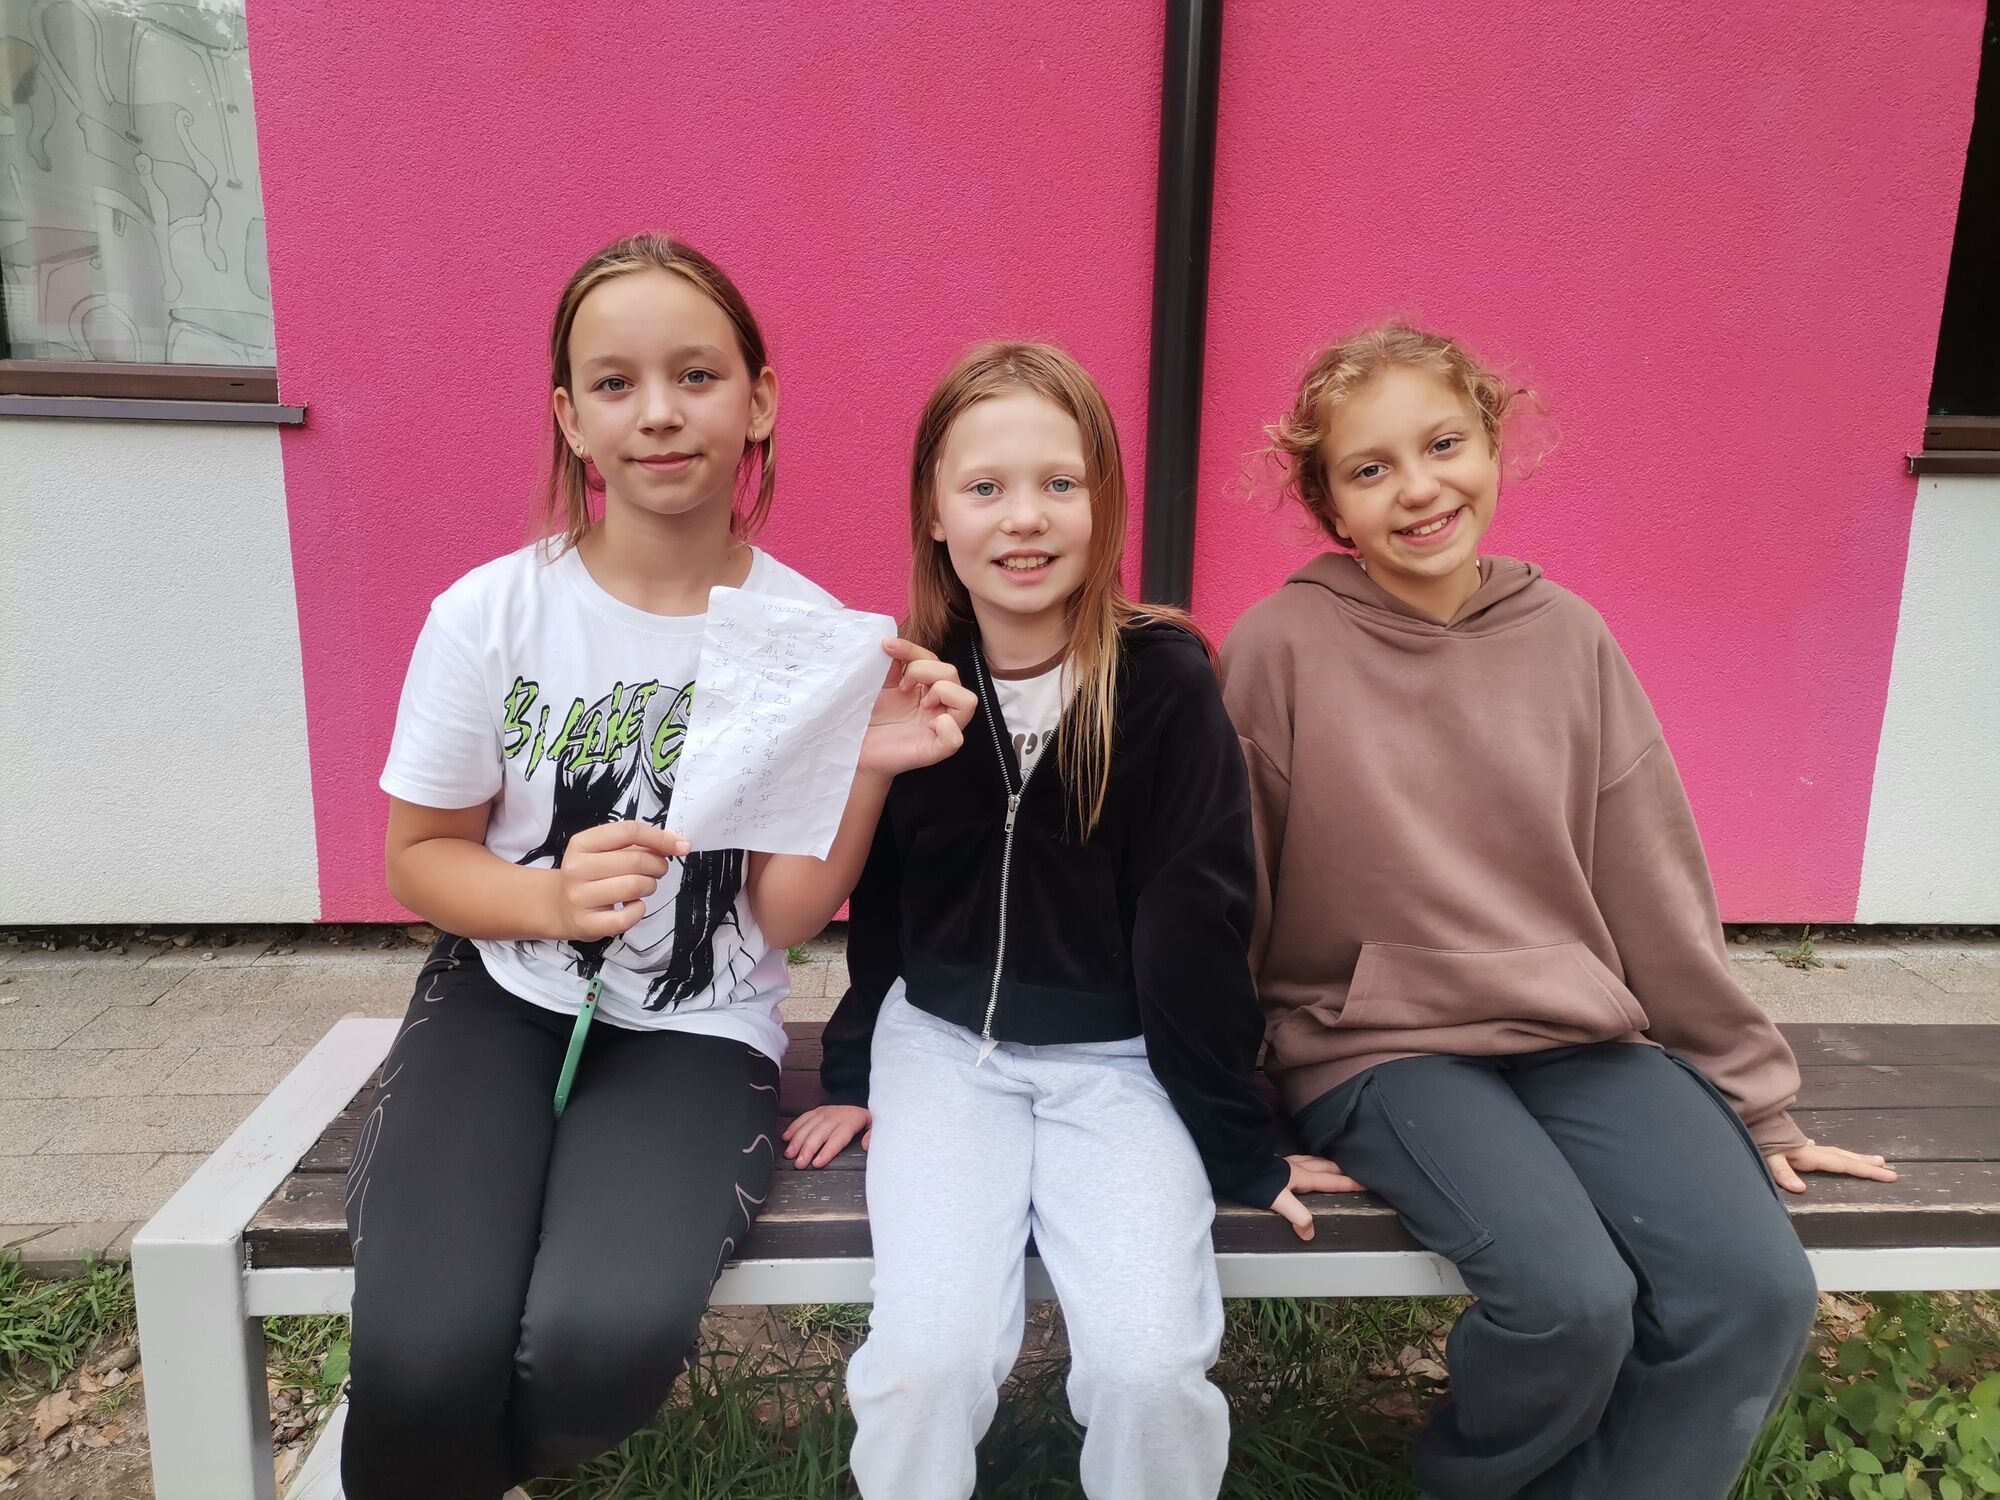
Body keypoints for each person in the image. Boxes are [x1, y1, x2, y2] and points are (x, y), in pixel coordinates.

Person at [1220, 321, 1898, 1500]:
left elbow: (1650, 882)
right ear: (1329, 504)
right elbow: (1226, 897)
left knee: (1755, 1293)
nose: (1417, 487)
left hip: (1573, 1034)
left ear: (1492, 443)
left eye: (1442, 444)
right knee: (1568, 1303)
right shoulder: (1278, 648)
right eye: (1370, 468)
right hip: (1377, 1048)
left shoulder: (1568, 636)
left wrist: (1753, 1102)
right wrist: (1228, 1112)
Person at [344, 232, 973, 1499]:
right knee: (422, 1354)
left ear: (758, 400)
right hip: (502, 996)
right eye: (615, 384)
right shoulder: (492, 616)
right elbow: (419, 858)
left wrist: (863, 766)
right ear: (571, 420)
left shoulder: (804, 637)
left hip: (697, 1026)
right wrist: (545, 897)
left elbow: (779, 915)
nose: (659, 414)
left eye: (695, 376)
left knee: (599, 1347)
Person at [785, 341, 1351, 1500]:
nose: (1023, 517)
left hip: (1124, 1065)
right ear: (934, 512)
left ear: (1103, 503)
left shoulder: (1163, 681)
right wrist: (851, 1070)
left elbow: (1196, 926)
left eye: (1058, 482)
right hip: (943, 1057)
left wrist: (1236, 1144)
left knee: (1149, 1368)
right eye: (984, 487)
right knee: (928, 1361)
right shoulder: (915, 683)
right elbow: (881, 905)